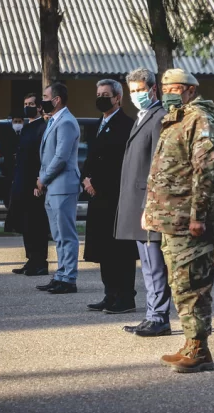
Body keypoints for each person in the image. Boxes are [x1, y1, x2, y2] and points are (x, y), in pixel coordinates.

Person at [143, 68, 214, 373]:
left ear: (191, 90)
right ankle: (192, 343)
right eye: (164, 87)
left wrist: (198, 216)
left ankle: (199, 349)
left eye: (173, 88)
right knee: (180, 285)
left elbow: (207, 172)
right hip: (171, 220)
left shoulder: (199, 120)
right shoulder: (174, 119)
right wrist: (150, 212)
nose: (167, 93)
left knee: (194, 284)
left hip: (189, 221)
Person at [111, 68, 172, 337]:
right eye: (132, 91)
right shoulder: (142, 116)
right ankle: (152, 315)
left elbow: (159, 167)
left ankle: (159, 317)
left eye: (139, 90)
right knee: (147, 264)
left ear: (153, 90)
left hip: (149, 203)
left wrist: (152, 203)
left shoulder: (158, 117)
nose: (136, 95)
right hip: (137, 202)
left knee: (154, 263)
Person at [83, 79, 138, 313]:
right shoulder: (98, 123)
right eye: (98, 93)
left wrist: (98, 183)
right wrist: (85, 178)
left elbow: (122, 163)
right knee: (104, 249)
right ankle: (110, 294)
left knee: (120, 251)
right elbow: (91, 156)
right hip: (97, 197)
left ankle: (126, 297)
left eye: (105, 94)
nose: (101, 97)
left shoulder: (127, 125)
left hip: (116, 196)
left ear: (117, 98)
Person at [35, 82, 81, 295]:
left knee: (66, 234)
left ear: (56, 99)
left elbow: (61, 157)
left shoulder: (66, 122)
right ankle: (61, 274)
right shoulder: (54, 120)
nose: (42, 100)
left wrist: (43, 179)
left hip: (63, 186)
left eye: (45, 96)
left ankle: (69, 278)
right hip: (53, 187)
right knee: (58, 235)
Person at [5, 94, 49, 276]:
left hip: (34, 184)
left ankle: (40, 262)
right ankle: (31, 259)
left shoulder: (42, 128)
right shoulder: (26, 127)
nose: (27, 107)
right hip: (21, 183)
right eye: (25, 104)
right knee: (25, 224)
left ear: (39, 107)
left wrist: (39, 182)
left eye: (31, 104)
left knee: (36, 224)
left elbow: (42, 157)